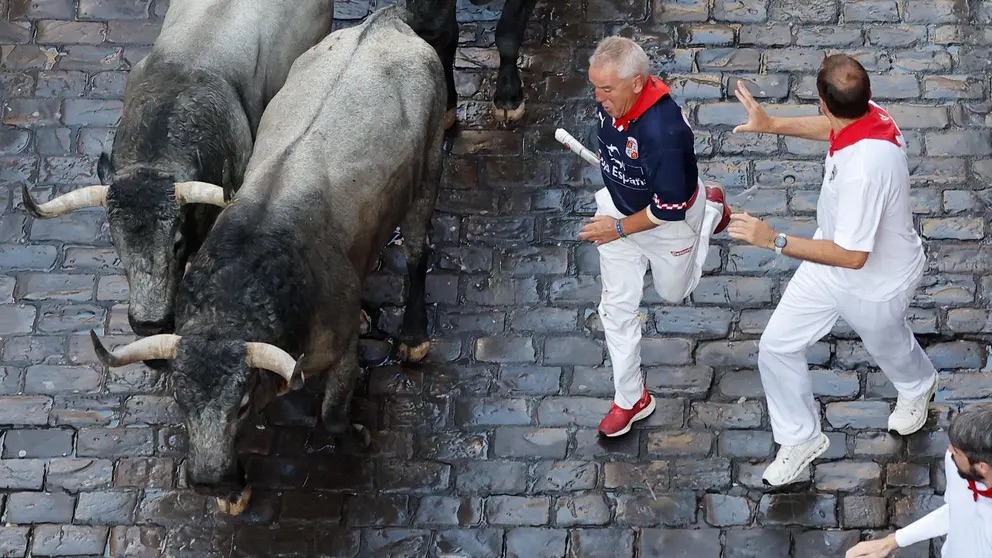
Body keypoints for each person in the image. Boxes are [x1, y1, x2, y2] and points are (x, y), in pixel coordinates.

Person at [728, 54, 939, 486]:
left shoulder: (864, 171)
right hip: (828, 261)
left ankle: (919, 386)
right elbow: (831, 127)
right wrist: (771, 124)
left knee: (891, 348)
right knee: (776, 346)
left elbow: (854, 256)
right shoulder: (869, 115)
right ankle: (800, 437)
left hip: (876, 283)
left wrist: (773, 240)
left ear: (823, 101)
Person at [578, 36, 732, 438]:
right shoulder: (613, 101)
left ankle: (710, 208)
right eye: (595, 87)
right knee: (615, 308)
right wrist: (615, 220)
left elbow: (667, 210)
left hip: (668, 223)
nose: (598, 98)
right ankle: (631, 398)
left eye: (606, 89)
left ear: (636, 83)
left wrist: (616, 229)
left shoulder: (665, 134)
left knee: (674, 293)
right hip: (618, 212)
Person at [845, 403, 992, 557]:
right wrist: (891, 542)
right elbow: (957, 511)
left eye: (956, 451)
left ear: (981, 467)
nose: (949, 450)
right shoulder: (955, 462)